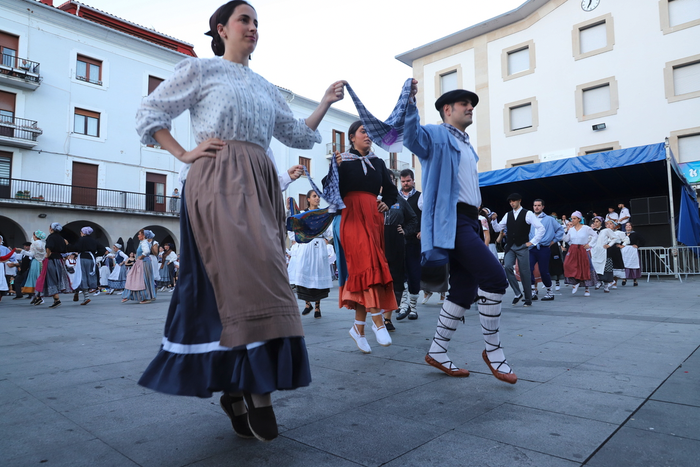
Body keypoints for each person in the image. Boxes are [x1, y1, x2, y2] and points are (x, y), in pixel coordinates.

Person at [135, 0, 345, 442]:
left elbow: (297, 134)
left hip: (262, 183)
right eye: (244, 20)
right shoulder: (200, 70)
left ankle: (236, 387)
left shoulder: (266, 86)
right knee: (238, 278)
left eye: (256, 22)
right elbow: (150, 113)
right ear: (221, 29)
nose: (252, 27)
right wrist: (184, 153)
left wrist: (325, 102)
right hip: (217, 179)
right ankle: (257, 390)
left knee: (267, 275)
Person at [401, 82, 516, 383]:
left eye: (472, 104)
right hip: (453, 221)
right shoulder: (437, 135)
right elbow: (411, 137)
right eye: (464, 103)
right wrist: (409, 103)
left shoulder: (466, 144)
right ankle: (493, 352)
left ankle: (437, 351)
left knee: (464, 290)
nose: (470, 107)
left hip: (469, 220)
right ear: (446, 110)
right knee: (495, 278)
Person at [334, 121, 398, 353]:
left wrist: (386, 204)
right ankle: (378, 321)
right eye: (363, 132)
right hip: (350, 216)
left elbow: (391, 192)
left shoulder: (378, 163)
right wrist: (334, 168)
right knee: (368, 263)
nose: (368, 136)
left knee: (367, 270)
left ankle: (358, 328)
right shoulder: (342, 160)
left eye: (370, 133)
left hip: (373, 217)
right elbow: (329, 190)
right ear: (351, 137)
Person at [491, 193, 544, 307]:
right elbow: (497, 228)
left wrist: (532, 242)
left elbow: (541, 228)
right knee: (507, 267)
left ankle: (528, 298)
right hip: (510, 246)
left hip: (522, 246)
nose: (512, 203)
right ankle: (517, 293)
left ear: (519, 200)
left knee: (525, 272)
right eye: (510, 201)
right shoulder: (508, 214)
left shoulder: (528, 213)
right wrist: (494, 220)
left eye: (513, 201)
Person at [288, 189, 334, 319]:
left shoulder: (323, 214)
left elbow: (329, 232)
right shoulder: (302, 214)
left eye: (318, 196)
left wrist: (326, 239)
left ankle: (318, 307)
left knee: (318, 273)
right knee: (305, 272)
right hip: (306, 247)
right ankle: (308, 304)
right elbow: (293, 231)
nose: (317, 198)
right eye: (314, 196)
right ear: (308, 199)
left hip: (319, 247)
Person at [382, 171, 418, 331]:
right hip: (377, 242)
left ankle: (388, 319)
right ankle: (377, 315)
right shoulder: (372, 199)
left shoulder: (400, 200)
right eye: (385, 180)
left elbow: (413, 219)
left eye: (390, 180)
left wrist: (405, 230)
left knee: (395, 279)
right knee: (378, 280)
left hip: (396, 243)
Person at [395, 168, 422, 319]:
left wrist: (423, 230)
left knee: (414, 273)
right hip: (398, 241)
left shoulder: (420, 197)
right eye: (403, 181)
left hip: (414, 240)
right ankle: (403, 305)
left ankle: (413, 308)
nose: (405, 184)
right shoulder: (395, 197)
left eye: (408, 181)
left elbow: (426, 216)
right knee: (399, 273)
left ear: (413, 181)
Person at [529, 199, 564, 301]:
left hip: (544, 247)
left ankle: (549, 292)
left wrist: (553, 241)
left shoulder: (549, 219)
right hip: (532, 247)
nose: (536, 207)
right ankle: (532, 291)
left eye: (539, 205)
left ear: (543, 207)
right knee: (528, 268)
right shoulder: (530, 219)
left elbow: (560, 230)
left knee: (544, 270)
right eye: (535, 205)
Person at [562, 211, 598, 296]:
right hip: (573, 249)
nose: (572, 220)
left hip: (582, 249)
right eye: (572, 219)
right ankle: (575, 282)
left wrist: (590, 245)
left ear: (579, 219)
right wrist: (562, 233)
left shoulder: (586, 228)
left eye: (574, 218)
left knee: (585, 267)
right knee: (567, 264)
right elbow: (567, 239)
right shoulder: (571, 230)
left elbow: (595, 235)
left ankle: (587, 289)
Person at [65, 226, 104, 306]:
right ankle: (78, 291)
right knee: (89, 275)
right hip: (91, 259)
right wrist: (95, 254)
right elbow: (103, 250)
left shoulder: (81, 239)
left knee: (81, 276)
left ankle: (85, 296)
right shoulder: (94, 240)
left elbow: (75, 248)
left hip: (82, 258)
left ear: (83, 233)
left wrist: (68, 245)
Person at [40, 223, 72, 308]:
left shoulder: (51, 237)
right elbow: (64, 250)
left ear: (51, 228)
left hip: (52, 260)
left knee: (50, 277)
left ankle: (56, 299)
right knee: (57, 277)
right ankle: (55, 298)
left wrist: (47, 255)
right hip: (59, 260)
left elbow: (49, 247)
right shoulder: (61, 238)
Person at [121, 229, 157, 304]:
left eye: (139, 234)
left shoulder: (144, 243)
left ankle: (146, 297)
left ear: (144, 236)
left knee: (142, 279)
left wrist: (141, 256)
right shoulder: (143, 242)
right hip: (143, 262)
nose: (138, 235)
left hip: (143, 262)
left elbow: (146, 251)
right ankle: (146, 296)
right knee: (141, 278)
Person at [23, 231, 46, 304]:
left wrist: (23, 252)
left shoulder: (34, 243)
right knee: (40, 278)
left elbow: (32, 254)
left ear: (35, 236)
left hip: (35, 262)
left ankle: (36, 296)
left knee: (33, 278)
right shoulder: (43, 243)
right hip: (42, 262)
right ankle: (38, 296)